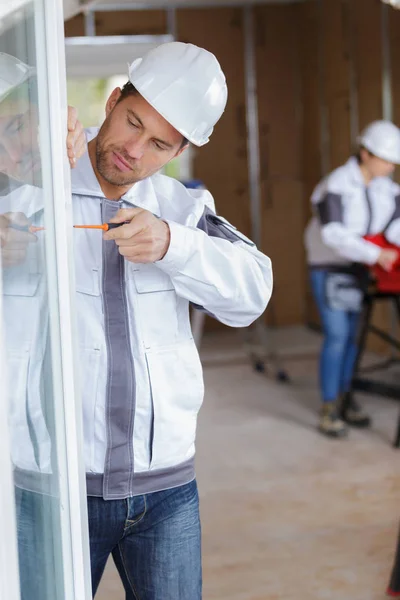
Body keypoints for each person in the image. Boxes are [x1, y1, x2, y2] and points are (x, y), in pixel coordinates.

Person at [8, 41, 272, 599]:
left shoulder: (184, 211)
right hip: (48, 494)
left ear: (176, 151)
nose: (134, 150)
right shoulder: (28, 191)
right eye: (132, 123)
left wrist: (176, 246)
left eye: (159, 144)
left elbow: (254, 291)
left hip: (166, 493)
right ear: (111, 101)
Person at [305, 120, 400, 438]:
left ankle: (347, 399)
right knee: (337, 335)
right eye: (386, 160)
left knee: (353, 338)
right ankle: (329, 406)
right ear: (365, 153)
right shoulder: (336, 185)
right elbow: (333, 233)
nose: (390, 166)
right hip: (330, 267)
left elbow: (394, 224)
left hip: (359, 268)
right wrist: (376, 255)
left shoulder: (386, 187)